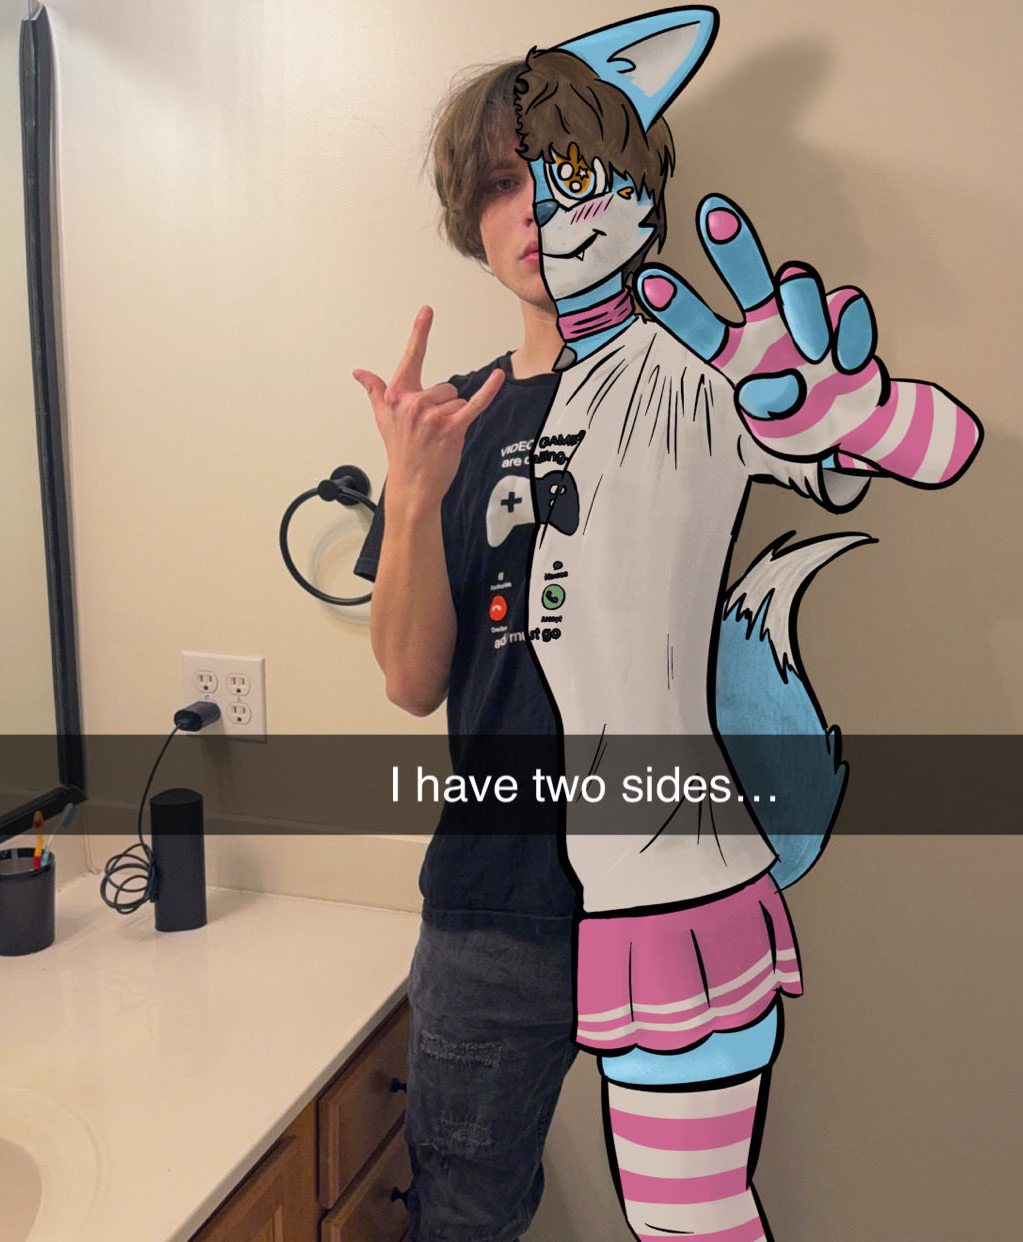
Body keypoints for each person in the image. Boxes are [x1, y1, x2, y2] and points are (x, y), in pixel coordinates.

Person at [351, 60, 579, 1242]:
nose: (533, 207)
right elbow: (408, 681)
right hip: (496, 907)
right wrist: (411, 492)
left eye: (561, 170)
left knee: (695, 1207)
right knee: (464, 1218)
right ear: (471, 219)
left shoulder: (701, 397)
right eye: (499, 184)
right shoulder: (450, 422)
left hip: (678, 896)